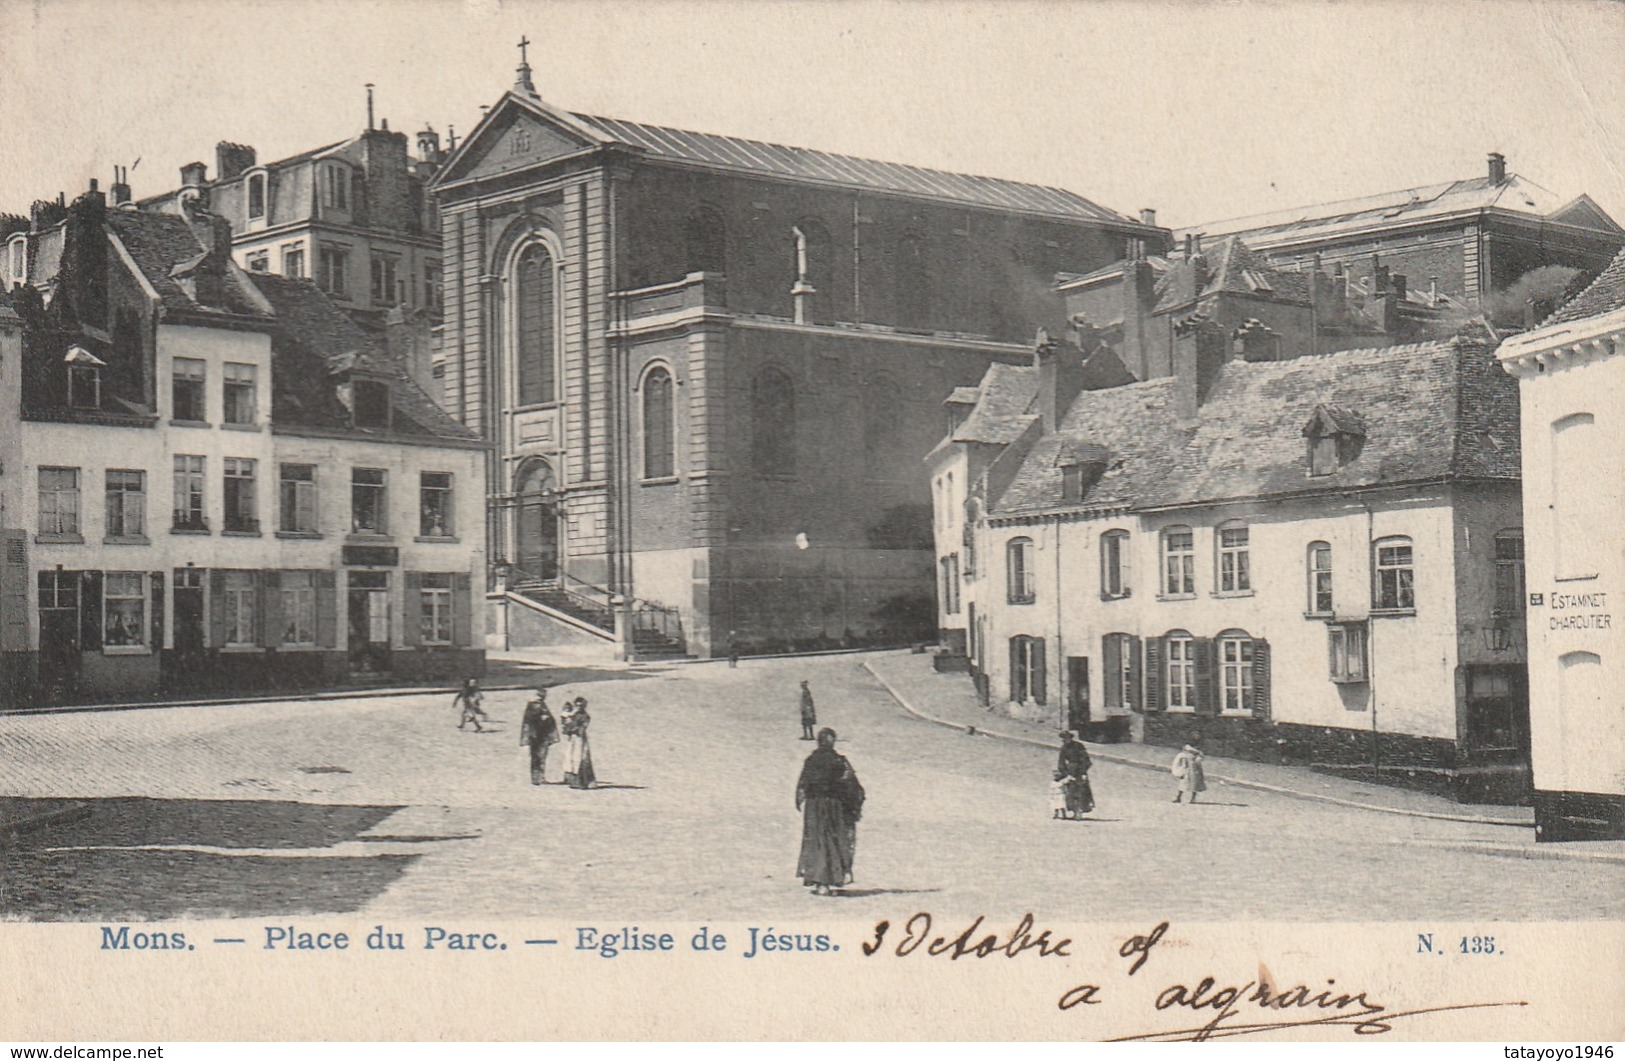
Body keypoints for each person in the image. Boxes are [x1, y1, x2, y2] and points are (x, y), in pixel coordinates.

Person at [795, 728, 864, 896]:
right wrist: (853, 807)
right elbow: (852, 786)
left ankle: (819, 882)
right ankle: (828, 881)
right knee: (833, 841)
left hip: (813, 807)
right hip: (834, 807)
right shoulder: (839, 762)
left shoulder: (811, 760)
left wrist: (800, 799)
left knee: (816, 841)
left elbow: (803, 784)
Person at [519, 688, 560, 785]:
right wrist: (544, 719)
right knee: (539, 756)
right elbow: (534, 720)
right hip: (539, 735)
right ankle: (538, 778)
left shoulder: (534, 704)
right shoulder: (536, 705)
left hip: (536, 735)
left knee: (537, 757)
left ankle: (537, 777)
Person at [561, 696, 597, 790]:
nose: (579, 707)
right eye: (577, 705)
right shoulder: (573, 715)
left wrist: (573, 727)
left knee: (581, 757)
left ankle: (583, 782)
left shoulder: (585, 716)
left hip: (579, 739)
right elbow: (566, 726)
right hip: (572, 739)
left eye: (581, 706)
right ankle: (572, 780)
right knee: (570, 757)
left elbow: (582, 728)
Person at [1057, 730, 1094, 818]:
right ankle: (1074, 810)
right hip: (1070, 771)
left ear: (1070, 738)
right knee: (1070, 791)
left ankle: (1080, 810)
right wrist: (1065, 773)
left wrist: (1083, 771)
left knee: (1081, 791)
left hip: (1080, 770)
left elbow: (1086, 759)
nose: (1064, 740)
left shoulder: (1078, 746)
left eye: (1066, 738)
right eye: (1063, 739)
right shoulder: (1064, 748)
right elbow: (1061, 761)